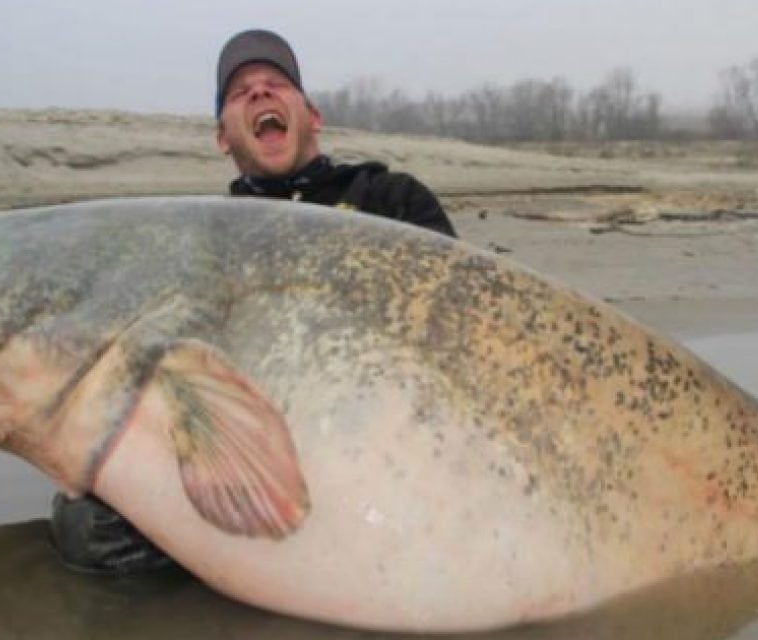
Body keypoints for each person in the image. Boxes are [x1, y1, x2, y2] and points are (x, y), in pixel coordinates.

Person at [50, 28, 456, 574]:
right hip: (253, 448)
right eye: (241, 92)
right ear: (223, 137)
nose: (260, 94)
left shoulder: (391, 197)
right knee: (87, 527)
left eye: (276, 84)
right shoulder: (203, 240)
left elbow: (458, 320)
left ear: (312, 115)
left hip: (388, 433)